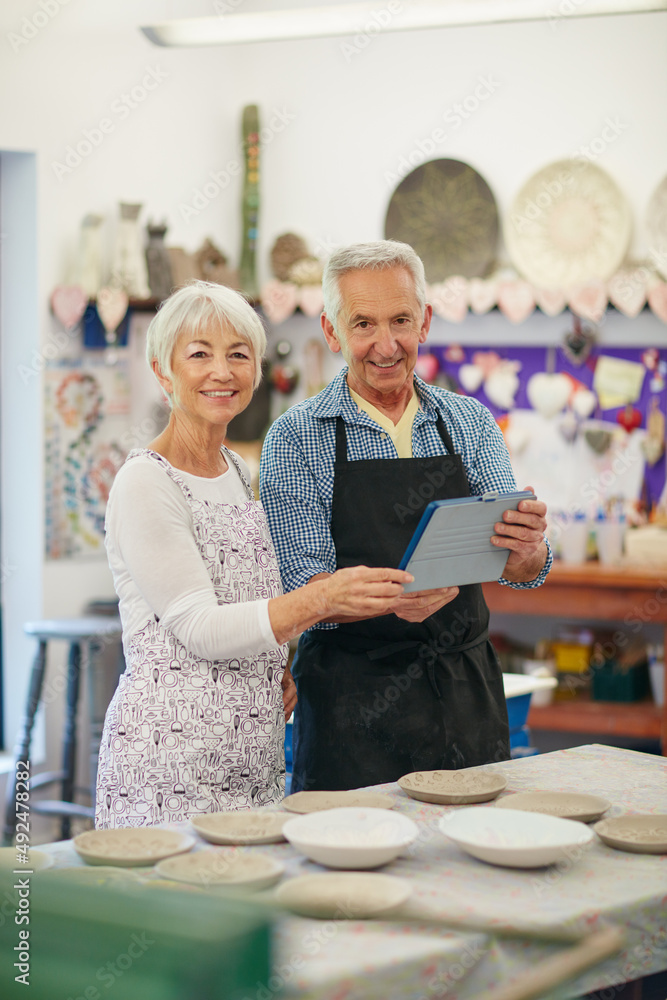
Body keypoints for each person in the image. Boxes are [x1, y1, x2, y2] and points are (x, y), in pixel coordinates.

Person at [95, 280, 412, 828]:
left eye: (238, 354)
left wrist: (277, 664)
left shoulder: (239, 473)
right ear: (161, 370)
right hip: (169, 767)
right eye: (199, 354)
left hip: (252, 759)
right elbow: (198, 625)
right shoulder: (146, 483)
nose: (223, 371)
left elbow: (247, 596)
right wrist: (320, 599)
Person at [260, 241, 552, 793]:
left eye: (400, 319)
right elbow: (304, 591)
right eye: (363, 324)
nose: (386, 344)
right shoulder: (296, 438)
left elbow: (519, 567)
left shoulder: (469, 422)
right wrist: (392, 601)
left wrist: (529, 547)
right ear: (331, 331)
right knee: (352, 871)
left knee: (470, 867)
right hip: (351, 706)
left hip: (466, 696)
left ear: (425, 322)